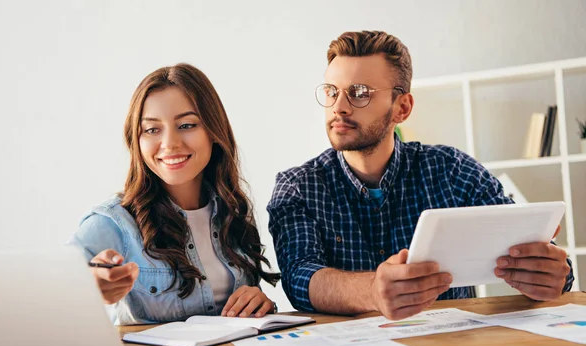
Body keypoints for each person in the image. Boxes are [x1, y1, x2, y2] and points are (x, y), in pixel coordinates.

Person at [267, 30, 573, 320]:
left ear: (402, 108)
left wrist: (553, 273)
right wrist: (372, 292)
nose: (339, 107)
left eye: (359, 93)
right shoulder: (298, 187)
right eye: (331, 91)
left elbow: (527, 244)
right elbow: (299, 276)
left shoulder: (452, 170)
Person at [71, 63, 279, 325]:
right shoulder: (113, 223)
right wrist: (87, 289)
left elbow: (246, 317)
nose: (170, 143)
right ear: (137, 140)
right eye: (152, 129)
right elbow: (49, 294)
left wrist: (260, 305)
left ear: (214, 132)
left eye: (186, 125)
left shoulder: (232, 213)